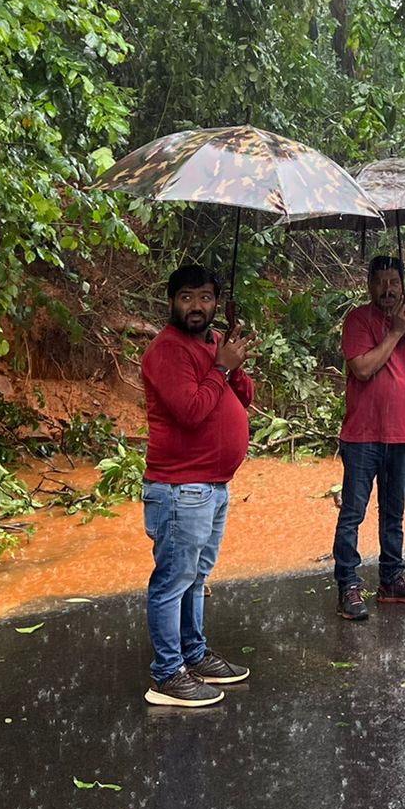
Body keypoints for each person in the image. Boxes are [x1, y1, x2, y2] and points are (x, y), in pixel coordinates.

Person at [139, 264, 255, 707]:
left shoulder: (211, 344)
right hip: (179, 487)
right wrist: (220, 369)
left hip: (212, 486)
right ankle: (167, 675)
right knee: (173, 580)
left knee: (195, 578)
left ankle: (194, 654)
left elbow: (243, 398)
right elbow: (190, 410)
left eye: (205, 297)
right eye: (187, 297)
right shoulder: (167, 351)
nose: (196, 306)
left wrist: (231, 361)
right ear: (171, 301)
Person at [334, 254, 405, 620]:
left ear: (403, 284)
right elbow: (362, 369)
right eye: (380, 282)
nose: (387, 289)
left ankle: (392, 580)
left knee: (393, 513)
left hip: (402, 434)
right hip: (363, 435)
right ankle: (348, 585)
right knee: (353, 513)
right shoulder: (358, 320)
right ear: (369, 286)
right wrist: (394, 331)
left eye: (394, 282)